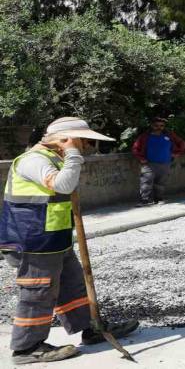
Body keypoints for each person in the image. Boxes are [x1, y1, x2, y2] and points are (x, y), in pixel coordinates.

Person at [1, 117, 139, 365]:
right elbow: (63, 186)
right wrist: (73, 154)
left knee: (73, 285)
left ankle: (90, 327)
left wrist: (70, 155)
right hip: (32, 242)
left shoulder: (53, 158)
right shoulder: (34, 160)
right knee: (38, 293)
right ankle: (27, 348)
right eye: (82, 140)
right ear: (64, 139)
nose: (86, 145)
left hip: (54, 238)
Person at [131, 117, 185, 206]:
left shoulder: (169, 135)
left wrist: (177, 153)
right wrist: (141, 158)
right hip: (149, 164)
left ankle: (159, 199)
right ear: (152, 125)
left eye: (161, 126)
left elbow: (182, 142)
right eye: (156, 125)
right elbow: (135, 148)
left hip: (165, 163)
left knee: (160, 183)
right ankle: (144, 200)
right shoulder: (145, 136)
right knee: (146, 182)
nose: (159, 127)